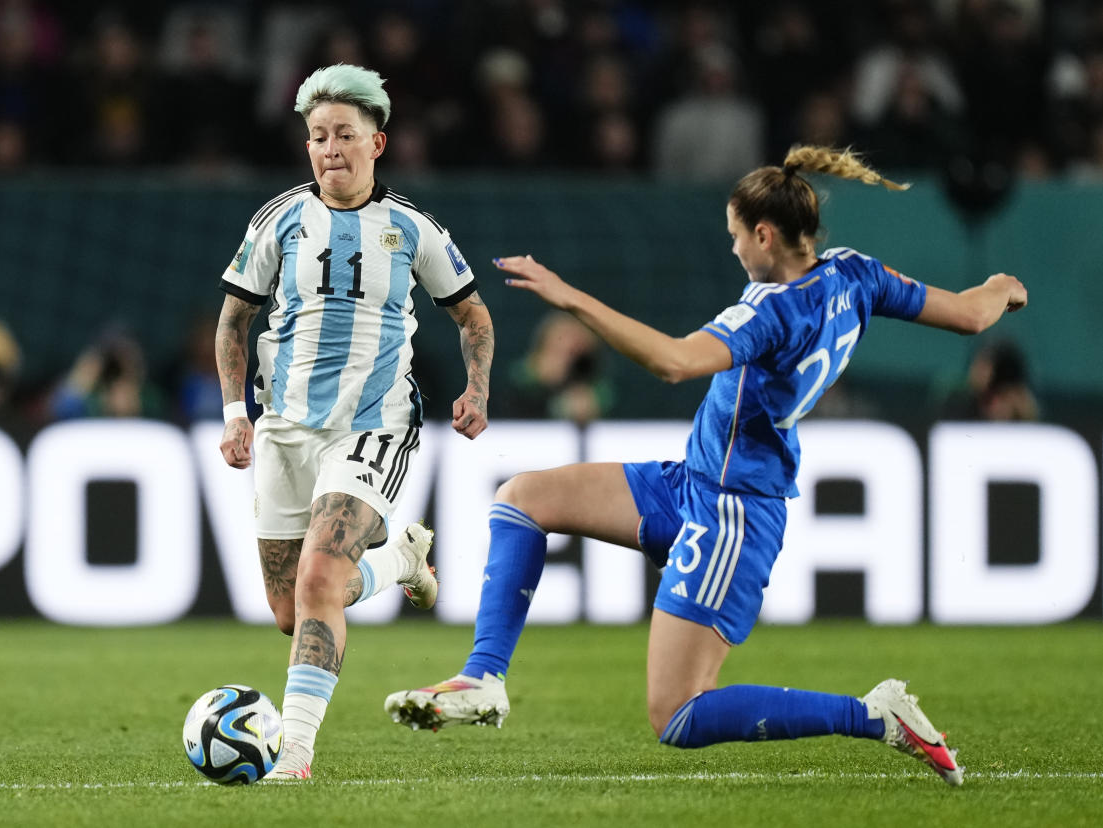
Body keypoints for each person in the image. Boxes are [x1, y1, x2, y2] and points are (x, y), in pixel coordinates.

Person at [385, 146, 1029, 787]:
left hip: (733, 511)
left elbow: (672, 362)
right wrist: (1001, 288)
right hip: (694, 481)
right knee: (523, 497)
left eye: (735, 237)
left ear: (766, 234)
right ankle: (484, 678)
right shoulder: (855, 275)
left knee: (677, 713)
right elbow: (972, 315)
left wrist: (569, 298)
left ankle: (873, 714)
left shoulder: (770, 310)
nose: (734, 251)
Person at [215, 64, 494, 781]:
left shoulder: (413, 230)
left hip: (372, 424)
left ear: (379, 143)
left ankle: (296, 757)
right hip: (284, 429)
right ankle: (400, 559)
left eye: (344, 134)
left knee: (318, 580)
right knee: (292, 608)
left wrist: (477, 390)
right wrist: (234, 412)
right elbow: (234, 320)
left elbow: (472, 315)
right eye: (317, 136)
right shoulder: (277, 220)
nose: (329, 148)